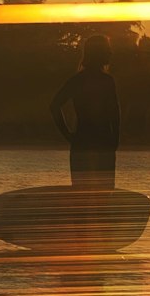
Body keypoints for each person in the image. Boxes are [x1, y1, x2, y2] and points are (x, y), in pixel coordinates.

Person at [50, 34, 120, 189]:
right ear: (100, 53)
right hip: (103, 145)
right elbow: (115, 115)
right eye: (108, 50)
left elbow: (54, 106)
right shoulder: (106, 81)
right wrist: (114, 141)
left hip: (81, 143)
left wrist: (69, 136)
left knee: (80, 193)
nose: (111, 53)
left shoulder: (77, 80)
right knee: (104, 193)